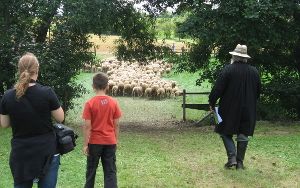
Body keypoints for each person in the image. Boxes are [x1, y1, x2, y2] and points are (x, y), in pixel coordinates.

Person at [0, 53, 64, 187]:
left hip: (21, 153)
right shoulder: (47, 92)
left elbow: (4, 124)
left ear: (19, 69)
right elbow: (60, 118)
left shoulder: (8, 96)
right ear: (37, 69)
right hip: (46, 152)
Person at [209, 44, 261, 170]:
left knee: (223, 130)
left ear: (234, 56)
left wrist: (211, 102)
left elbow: (218, 89)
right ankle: (240, 163)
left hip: (228, 107)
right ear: (245, 58)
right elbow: (258, 92)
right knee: (243, 134)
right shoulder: (254, 72)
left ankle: (232, 158)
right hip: (248, 108)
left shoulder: (228, 69)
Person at [82, 72, 122, 188]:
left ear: (93, 86)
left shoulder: (90, 103)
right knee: (110, 171)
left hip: (94, 143)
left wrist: (85, 144)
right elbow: (117, 125)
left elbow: (87, 126)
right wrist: (116, 140)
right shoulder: (114, 102)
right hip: (110, 142)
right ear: (107, 86)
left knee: (91, 171)